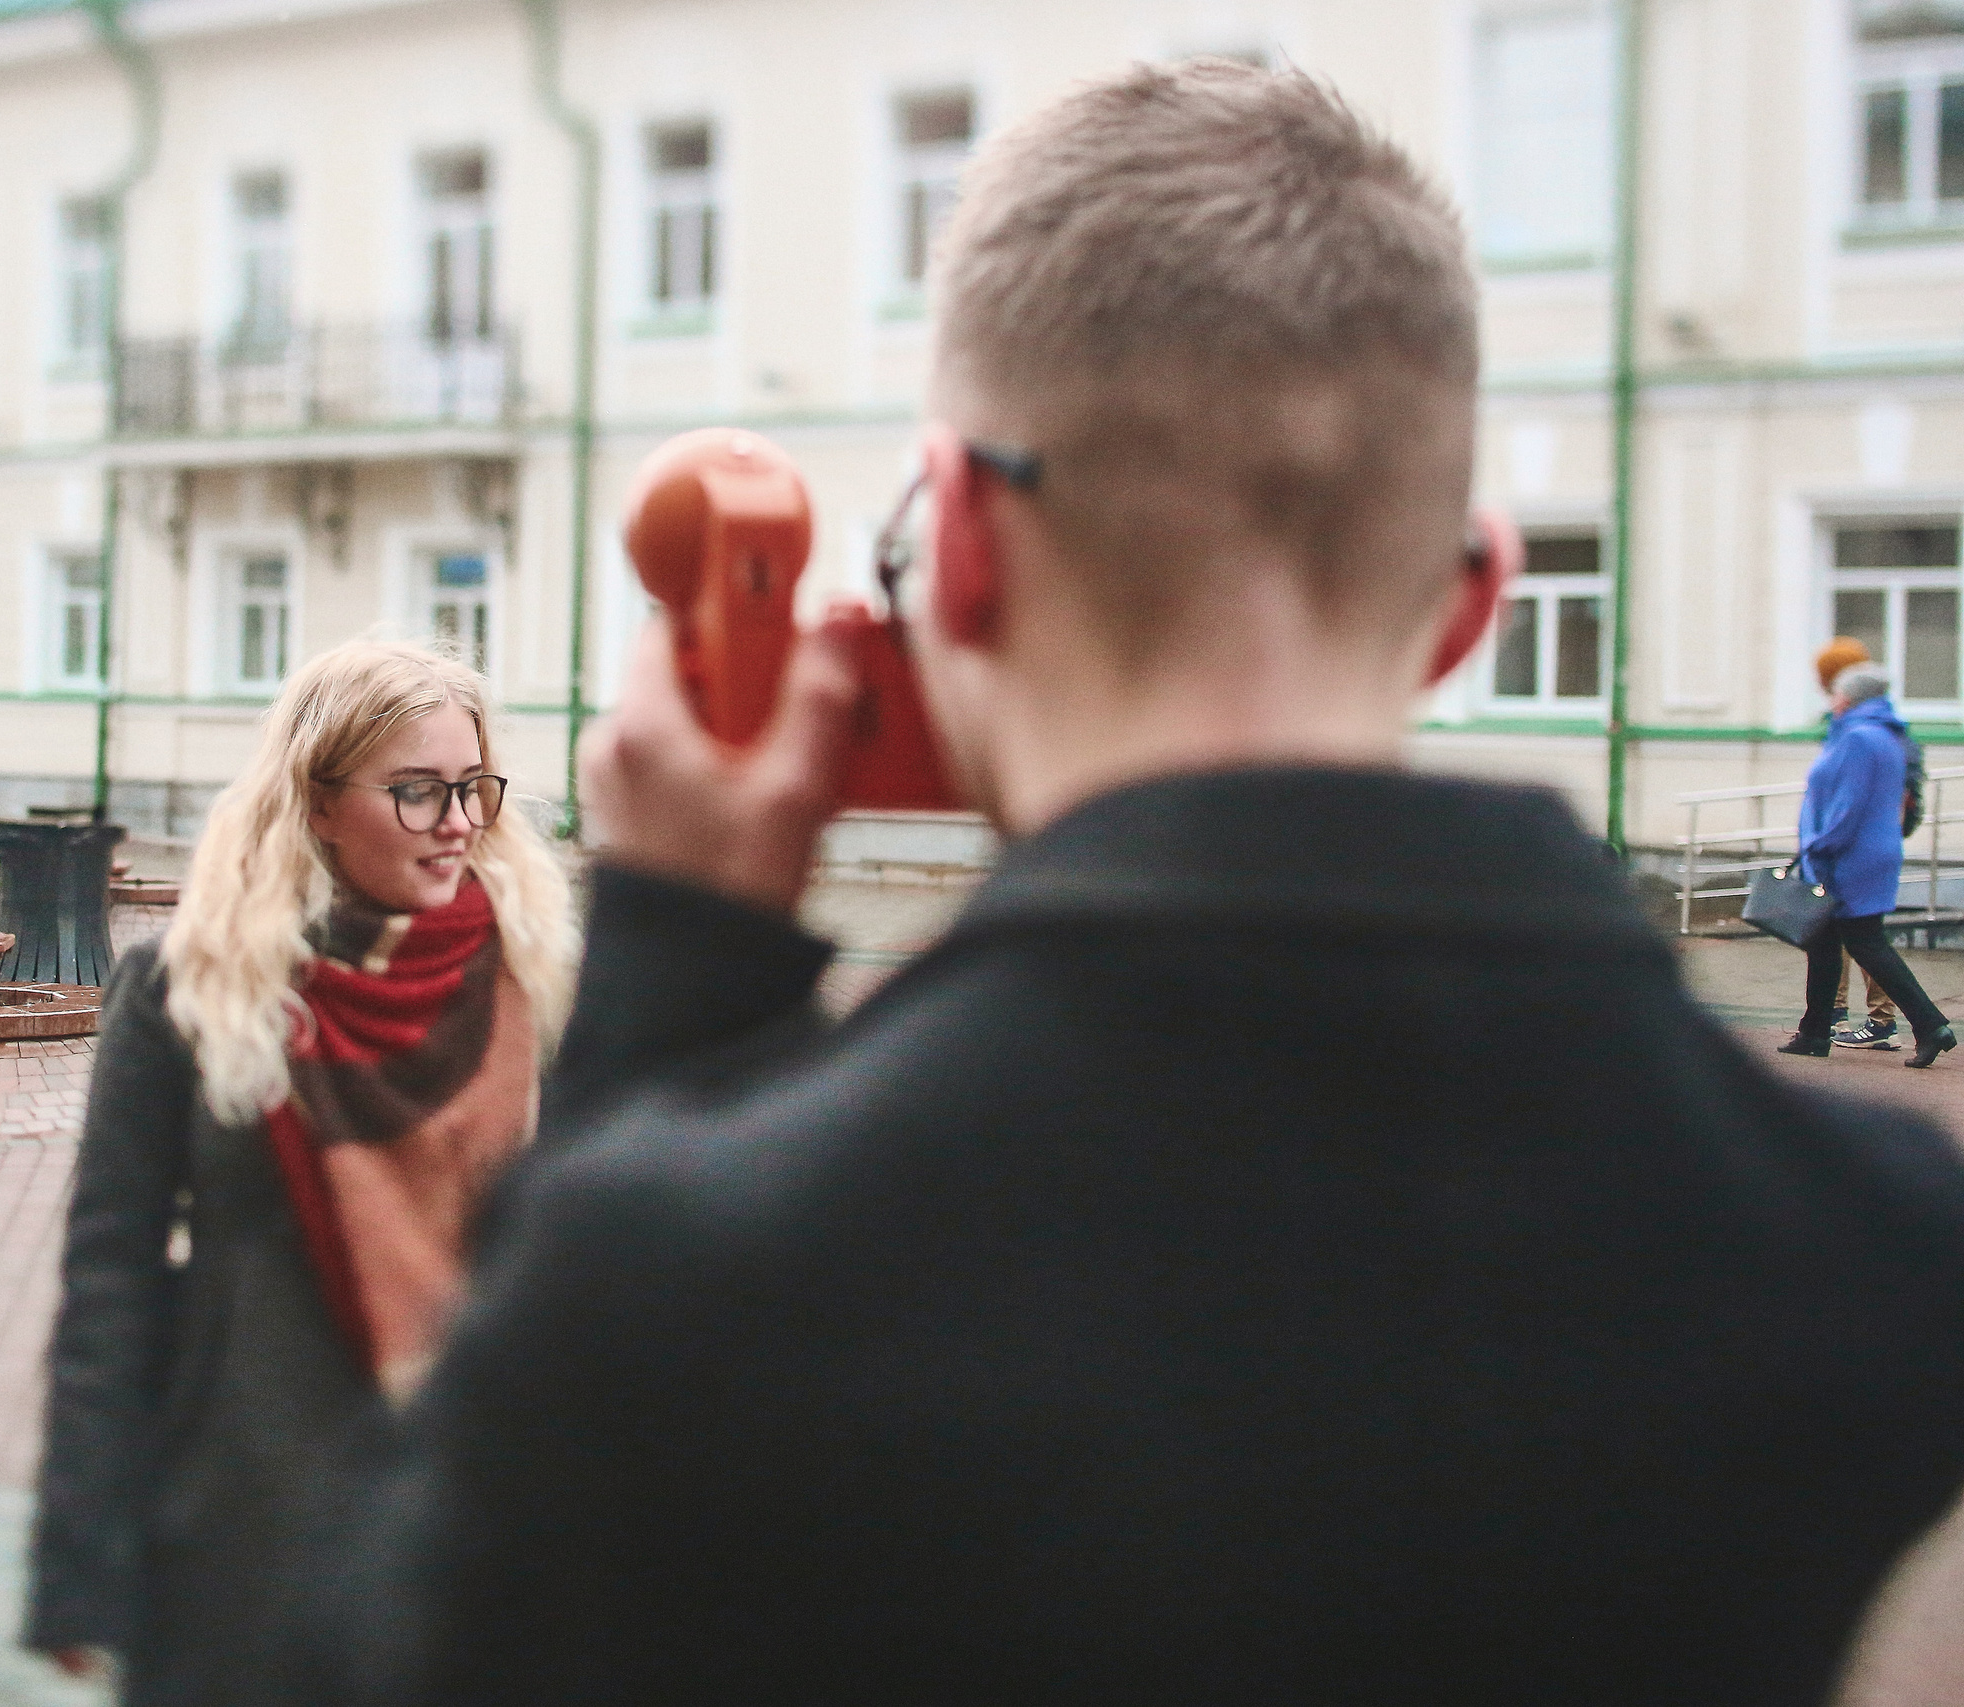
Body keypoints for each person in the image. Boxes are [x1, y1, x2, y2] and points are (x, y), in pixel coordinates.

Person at [273, 63, 1964, 1707]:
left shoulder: (687, 1256)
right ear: (1473, 600)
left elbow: (420, 1632)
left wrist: (679, 959)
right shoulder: (1871, 1237)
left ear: (962, 547)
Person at [22, 639, 574, 1706]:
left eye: (473, 786)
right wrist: (80, 1559)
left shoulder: (535, 985)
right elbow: (109, 1280)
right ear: (319, 801)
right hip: (243, 1530)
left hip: (465, 1522)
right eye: (417, 791)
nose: (459, 820)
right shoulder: (190, 988)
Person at [1779, 661, 1953, 1068]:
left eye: (1837, 693)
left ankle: (1931, 1026)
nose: (1832, 700)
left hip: (1849, 856)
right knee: (1825, 942)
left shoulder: (1858, 738)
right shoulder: (1885, 734)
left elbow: (1848, 805)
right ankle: (1814, 1032)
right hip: (1867, 852)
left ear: (1850, 697)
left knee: (1866, 943)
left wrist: (1819, 848)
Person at [1812, 638, 1903, 1048]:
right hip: (1857, 843)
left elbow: (1858, 796)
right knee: (1839, 931)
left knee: (1864, 937)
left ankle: (1884, 1019)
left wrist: (1824, 843)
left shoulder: (1866, 732)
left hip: (1856, 847)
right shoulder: (1855, 727)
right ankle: (1832, 1013)